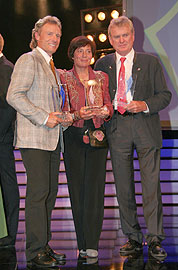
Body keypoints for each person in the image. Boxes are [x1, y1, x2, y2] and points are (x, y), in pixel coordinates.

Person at [94, 16, 172, 261]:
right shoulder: (103, 64)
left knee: (151, 188)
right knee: (123, 188)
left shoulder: (150, 62)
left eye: (125, 35)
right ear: (111, 38)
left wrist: (145, 104)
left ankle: (156, 239)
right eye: (116, 37)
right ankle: (133, 237)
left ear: (133, 35)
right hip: (117, 130)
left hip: (145, 129)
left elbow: (165, 96)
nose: (121, 40)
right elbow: (97, 97)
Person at [7, 16, 73, 268]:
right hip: (34, 138)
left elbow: (53, 107)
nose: (55, 39)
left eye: (57, 35)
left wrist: (65, 118)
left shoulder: (52, 66)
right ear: (37, 36)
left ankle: (43, 244)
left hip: (53, 139)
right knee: (38, 194)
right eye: (49, 34)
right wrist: (45, 117)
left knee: (48, 194)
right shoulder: (28, 59)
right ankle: (35, 251)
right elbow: (14, 95)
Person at [59, 36, 113, 258]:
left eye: (87, 51)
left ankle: (92, 243)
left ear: (92, 55)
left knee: (95, 191)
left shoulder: (101, 77)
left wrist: (105, 111)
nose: (84, 55)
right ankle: (81, 242)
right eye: (79, 51)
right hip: (73, 135)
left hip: (97, 135)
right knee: (77, 190)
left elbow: (109, 103)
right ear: (72, 54)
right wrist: (75, 115)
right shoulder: (63, 76)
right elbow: (60, 107)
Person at [0, 33, 19, 248]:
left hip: (1, 139)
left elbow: (7, 107)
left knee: (7, 186)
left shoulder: (5, 68)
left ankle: (9, 234)